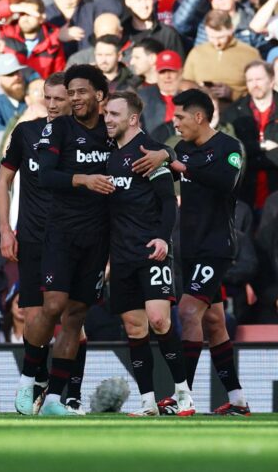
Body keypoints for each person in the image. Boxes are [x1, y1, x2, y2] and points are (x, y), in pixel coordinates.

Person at [13, 65, 170, 416]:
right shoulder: (58, 131)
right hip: (61, 233)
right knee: (52, 306)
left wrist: (166, 155)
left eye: (80, 91)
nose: (73, 98)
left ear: (99, 95)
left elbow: (151, 147)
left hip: (99, 239)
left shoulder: (111, 129)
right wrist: (83, 180)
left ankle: (54, 398)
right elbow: (46, 178)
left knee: (75, 317)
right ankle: (28, 381)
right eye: (70, 92)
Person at [103, 91, 193, 417]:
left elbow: (169, 202)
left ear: (132, 118)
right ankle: (147, 402)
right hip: (121, 253)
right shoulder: (109, 156)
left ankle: (184, 394)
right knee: (135, 329)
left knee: (159, 320)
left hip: (151, 250)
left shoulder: (150, 151)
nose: (108, 119)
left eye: (114, 114)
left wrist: (163, 238)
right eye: (106, 114)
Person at [0, 72, 84, 411]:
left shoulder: (87, 137)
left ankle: (69, 397)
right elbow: (4, 179)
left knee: (74, 321)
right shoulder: (26, 132)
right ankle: (35, 382)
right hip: (32, 238)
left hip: (74, 239)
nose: (51, 105)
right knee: (35, 320)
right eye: (47, 98)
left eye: (58, 99)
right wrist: (6, 228)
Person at [166, 88, 251, 416]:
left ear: (199, 117)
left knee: (187, 314)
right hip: (189, 247)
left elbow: (228, 182)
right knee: (214, 322)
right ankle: (239, 400)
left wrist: (184, 169)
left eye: (180, 116)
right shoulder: (183, 148)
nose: (175, 122)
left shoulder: (230, 148)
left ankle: (182, 397)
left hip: (216, 248)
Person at [220, 60, 278, 210]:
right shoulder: (233, 113)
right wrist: (262, 147)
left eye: (259, 79)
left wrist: (250, 152)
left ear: (271, 80)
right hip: (245, 190)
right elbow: (230, 150)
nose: (254, 84)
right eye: (250, 80)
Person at [183, 10, 260, 104]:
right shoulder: (197, 53)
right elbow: (185, 85)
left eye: (221, 37)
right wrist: (199, 90)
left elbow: (260, 90)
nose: (216, 43)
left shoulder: (250, 54)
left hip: (238, 111)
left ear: (231, 29)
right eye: (211, 37)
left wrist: (232, 94)